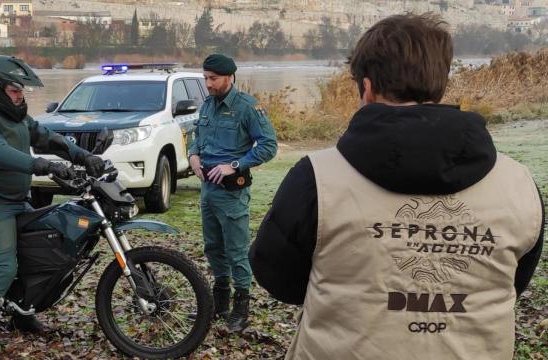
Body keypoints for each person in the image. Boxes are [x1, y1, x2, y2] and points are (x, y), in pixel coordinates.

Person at [249, 13, 544, 359]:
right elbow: (512, 282)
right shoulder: (518, 184)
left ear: (368, 88)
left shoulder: (316, 177)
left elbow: (279, 278)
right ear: (439, 84)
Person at [0, 55, 105, 342]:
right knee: (4, 269)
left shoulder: (19, 118)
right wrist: (41, 165)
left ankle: (21, 317)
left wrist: (83, 156)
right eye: (15, 91)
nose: (20, 96)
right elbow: (0, 151)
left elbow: (49, 137)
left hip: (19, 201)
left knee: (39, 257)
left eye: (22, 91)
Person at [188, 53, 277, 333]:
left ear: (230, 77)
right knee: (213, 248)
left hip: (232, 193)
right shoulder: (207, 106)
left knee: (236, 250)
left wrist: (235, 165)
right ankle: (220, 301)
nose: (208, 84)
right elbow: (197, 139)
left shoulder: (247, 107)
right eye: (205, 78)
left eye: (213, 79)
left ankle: (242, 306)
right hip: (208, 191)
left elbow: (268, 145)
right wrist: (192, 156)